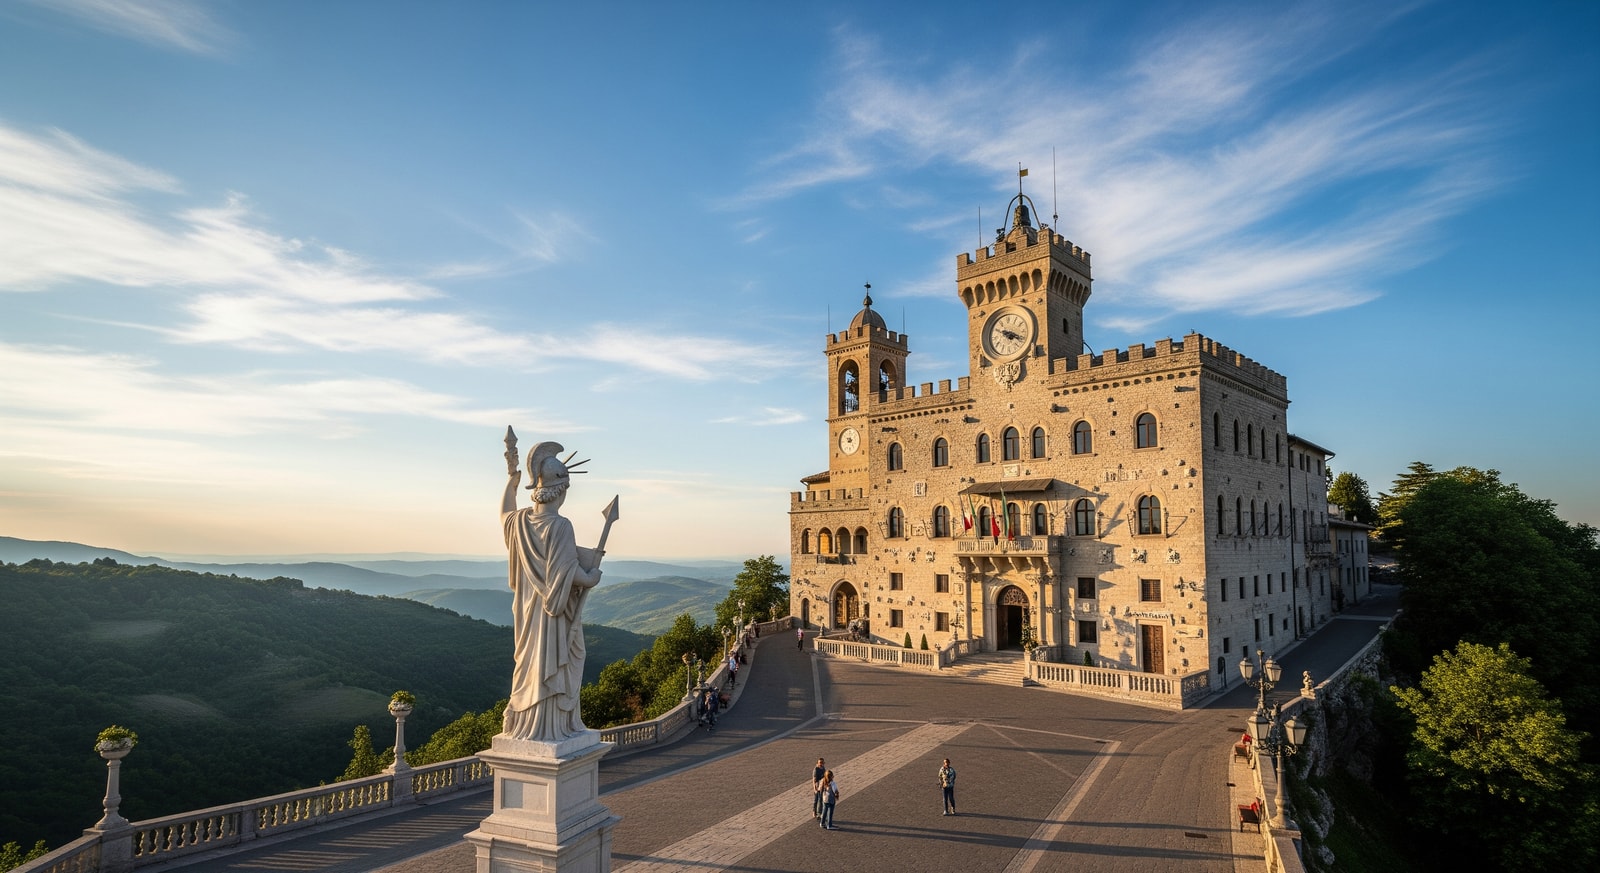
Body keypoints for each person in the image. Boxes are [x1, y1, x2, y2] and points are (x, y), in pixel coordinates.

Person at [500, 439, 606, 743]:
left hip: (527, 615)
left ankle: (527, 724)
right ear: (560, 491)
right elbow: (565, 573)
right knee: (569, 658)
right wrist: (590, 578)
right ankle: (557, 726)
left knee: (530, 664)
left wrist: (511, 480)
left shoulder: (519, 522)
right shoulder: (560, 526)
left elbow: (504, 512)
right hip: (553, 616)